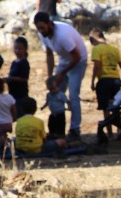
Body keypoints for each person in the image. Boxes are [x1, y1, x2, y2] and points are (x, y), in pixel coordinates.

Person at [33, 11, 88, 141]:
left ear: (50, 24)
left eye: (43, 27)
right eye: (38, 28)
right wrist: (50, 76)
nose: (41, 31)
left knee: (73, 95)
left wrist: (62, 73)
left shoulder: (62, 35)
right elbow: (49, 54)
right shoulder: (43, 35)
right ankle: (57, 130)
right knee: (55, 92)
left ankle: (75, 130)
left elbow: (77, 56)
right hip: (64, 60)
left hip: (78, 61)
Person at [89, 28, 121, 140]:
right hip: (116, 80)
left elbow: (97, 66)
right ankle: (119, 130)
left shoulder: (97, 49)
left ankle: (110, 134)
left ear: (92, 40)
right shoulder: (114, 49)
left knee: (106, 108)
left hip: (104, 81)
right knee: (116, 106)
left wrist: (93, 81)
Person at [4, 36, 31, 117]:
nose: (17, 51)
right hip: (13, 92)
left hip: (21, 93)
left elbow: (24, 78)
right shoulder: (14, 62)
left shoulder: (24, 63)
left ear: (25, 49)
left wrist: (10, 79)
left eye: (20, 49)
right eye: (15, 48)